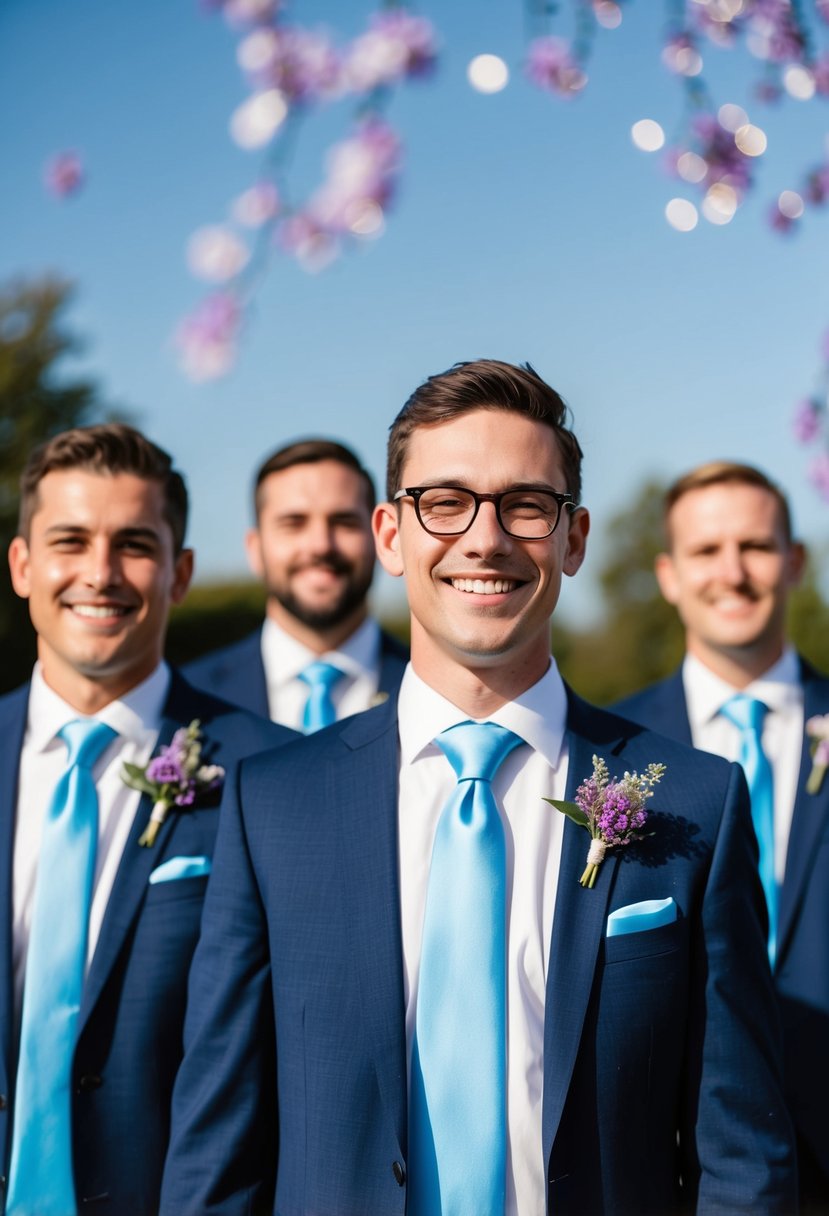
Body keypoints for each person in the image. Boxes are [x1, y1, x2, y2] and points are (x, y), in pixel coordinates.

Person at [161, 363, 796, 1214]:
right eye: (445, 502)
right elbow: (216, 1153)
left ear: (572, 539)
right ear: (390, 535)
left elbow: (741, 1156)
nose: (485, 538)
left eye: (526, 505)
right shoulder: (271, 805)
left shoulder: (697, 799)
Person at [0, 425, 294, 1215]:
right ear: (23, 565)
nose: (99, 573)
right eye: (70, 541)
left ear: (180, 571)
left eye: (133, 544)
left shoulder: (277, 777)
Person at [614, 459, 829, 1212]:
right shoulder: (609, 754)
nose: (731, 573)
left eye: (756, 547)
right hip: (673, 1168)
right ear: (669, 574)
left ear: (795, 562)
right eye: (706, 551)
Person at [184, 438, 408, 730]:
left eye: (344, 522)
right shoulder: (188, 698)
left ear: (381, 538)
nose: (320, 546)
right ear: (255, 549)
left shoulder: (433, 689)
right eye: (294, 523)